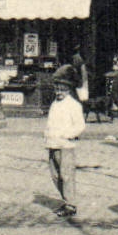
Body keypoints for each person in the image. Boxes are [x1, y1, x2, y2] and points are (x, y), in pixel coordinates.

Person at [45, 65, 86, 218]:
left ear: (68, 90)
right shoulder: (54, 104)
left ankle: (71, 204)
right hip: (52, 144)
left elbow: (80, 125)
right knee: (55, 176)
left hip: (65, 146)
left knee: (66, 175)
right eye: (57, 89)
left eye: (62, 89)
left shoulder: (73, 105)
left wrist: (67, 135)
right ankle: (66, 199)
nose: (59, 92)